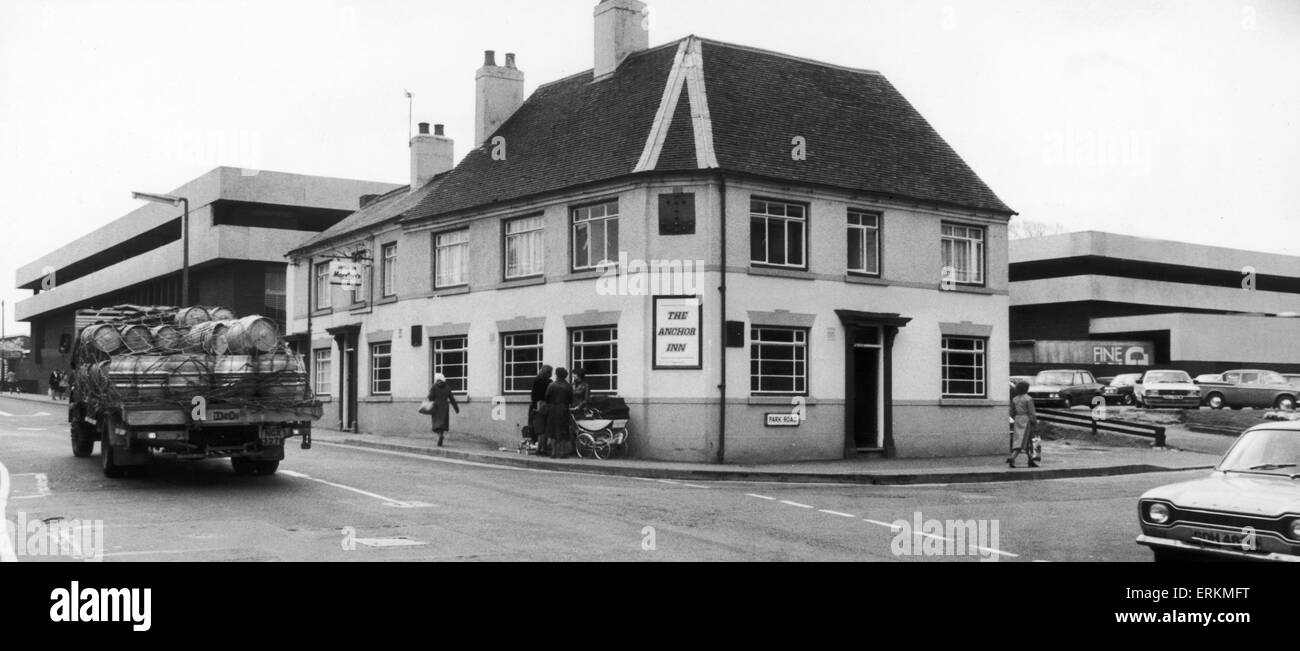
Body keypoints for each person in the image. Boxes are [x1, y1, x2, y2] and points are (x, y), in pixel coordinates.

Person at [1007, 381, 1039, 468]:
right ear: (1026, 389)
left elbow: (1011, 412)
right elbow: (1032, 413)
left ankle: (1030, 460)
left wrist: (1016, 417)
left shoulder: (1015, 399)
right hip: (1027, 420)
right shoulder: (1028, 399)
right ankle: (1013, 457)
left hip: (1018, 419)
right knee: (1027, 441)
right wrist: (1035, 423)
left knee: (1019, 440)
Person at [544, 368, 575, 459]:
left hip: (553, 409)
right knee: (563, 431)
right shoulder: (568, 386)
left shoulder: (551, 385)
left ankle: (553, 452)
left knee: (552, 431)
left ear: (557, 374)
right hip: (564, 409)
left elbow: (547, 397)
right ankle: (562, 453)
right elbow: (571, 400)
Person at [426, 373, 460, 448]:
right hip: (445, 407)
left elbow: (430, 397)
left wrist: (429, 397)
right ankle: (441, 435)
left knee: (436, 423)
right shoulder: (447, 387)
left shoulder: (434, 386)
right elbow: (452, 399)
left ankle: (439, 435)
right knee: (442, 423)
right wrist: (456, 408)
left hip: (436, 407)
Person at [528, 365, 554, 454]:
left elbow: (533, 395)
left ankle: (539, 449)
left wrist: (535, 406)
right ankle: (544, 449)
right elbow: (549, 396)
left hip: (536, 407)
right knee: (545, 429)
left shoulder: (536, 381)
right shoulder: (550, 382)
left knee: (539, 430)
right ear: (548, 373)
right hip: (546, 407)